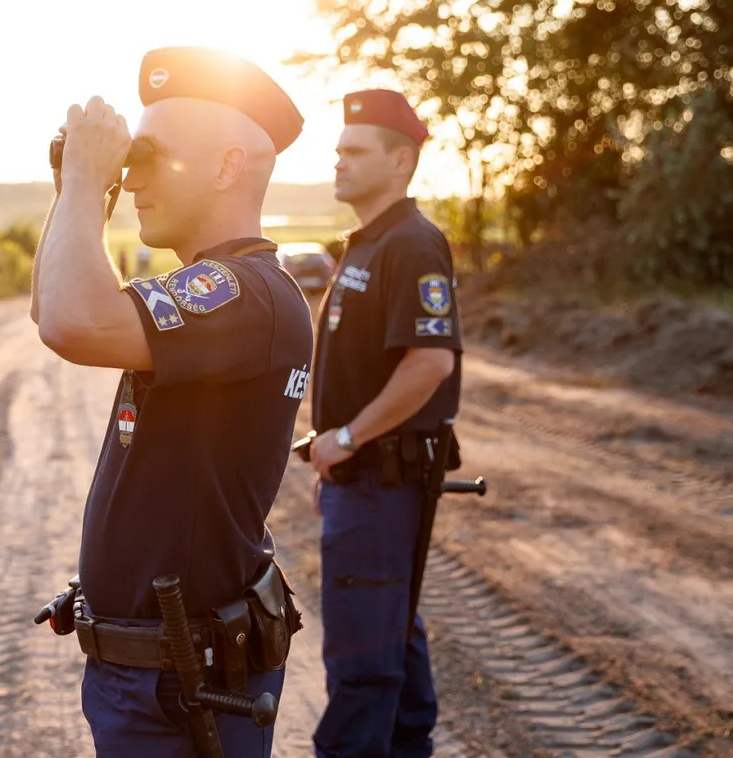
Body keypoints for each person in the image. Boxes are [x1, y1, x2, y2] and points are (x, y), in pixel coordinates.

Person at [31, 47, 314, 757]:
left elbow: (73, 321)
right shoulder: (218, 288)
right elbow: (49, 309)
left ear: (225, 167)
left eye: (150, 158)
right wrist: (77, 189)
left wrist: (85, 182)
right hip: (153, 679)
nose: (133, 180)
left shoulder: (244, 292)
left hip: (181, 689)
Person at [304, 89, 463, 758]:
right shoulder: (368, 243)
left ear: (400, 161)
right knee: (389, 632)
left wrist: (347, 438)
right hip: (361, 480)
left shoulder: (411, 244)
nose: (337, 160)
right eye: (338, 149)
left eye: (353, 151)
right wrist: (338, 453)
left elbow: (427, 363)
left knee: (363, 658)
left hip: (381, 480)